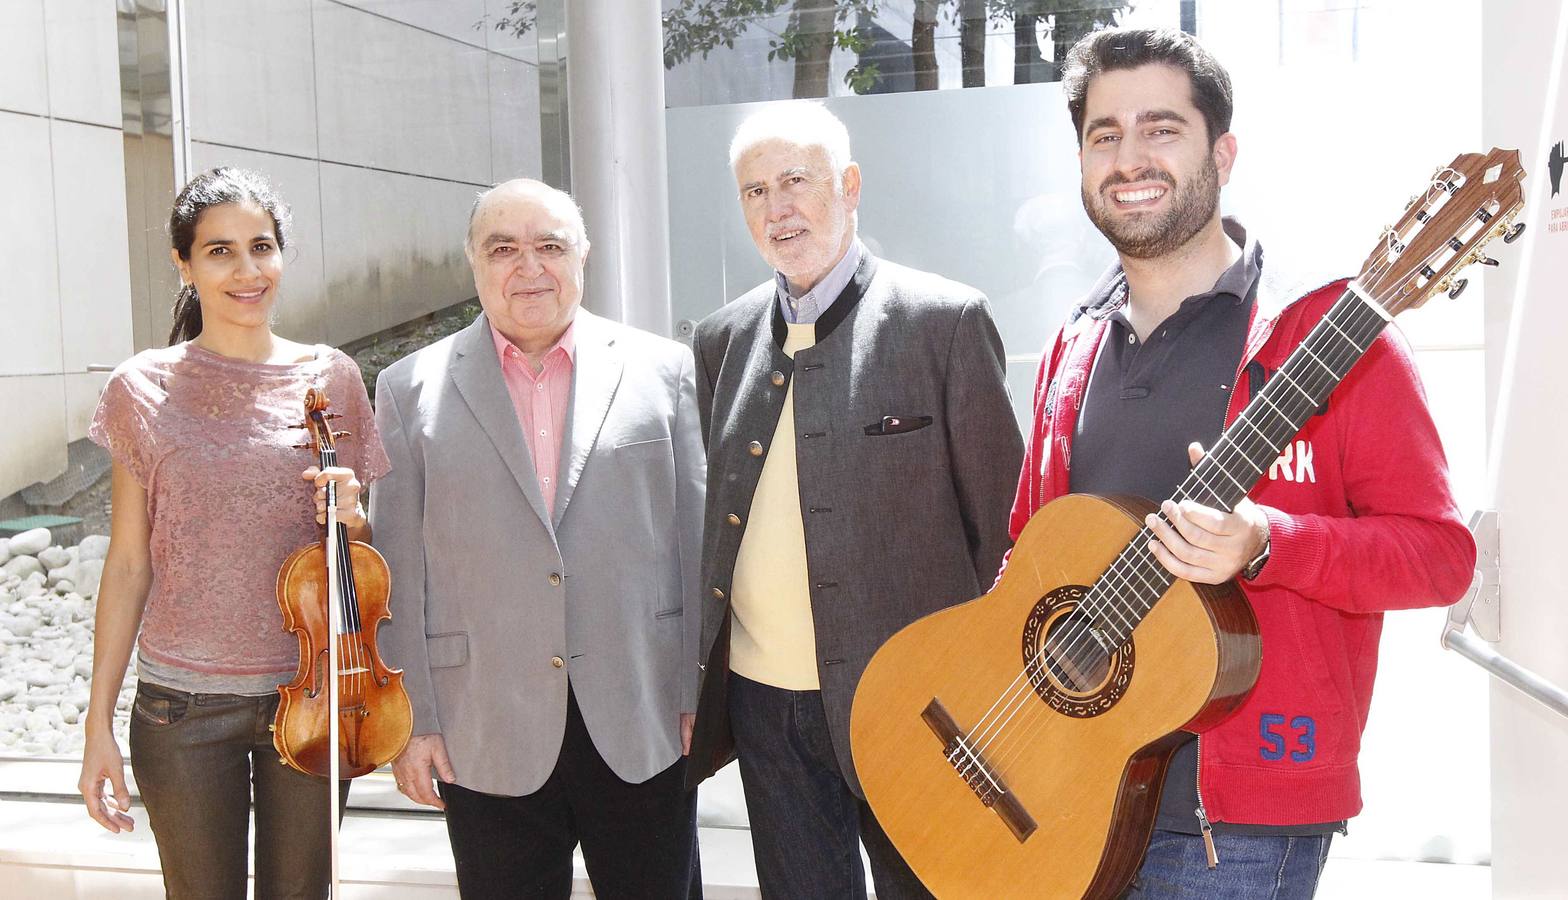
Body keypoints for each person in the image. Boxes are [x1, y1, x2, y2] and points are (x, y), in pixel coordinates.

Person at [1007, 27, 1477, 898]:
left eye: (1161, 128)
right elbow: (1024, 559)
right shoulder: (1069, 350)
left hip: (1237, 827)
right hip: (1064, 793)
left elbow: (1441, 556)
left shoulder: (1331, 338)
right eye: (1103, 135)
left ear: (1222, 151)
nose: (1129, 156)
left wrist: (1270, 542)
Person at [685, 102, 1024, 898]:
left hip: (918, 706)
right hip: (768, 710)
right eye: (755, 191)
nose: (777, 209)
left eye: (796, 181)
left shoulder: (944, 322)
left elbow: (1006, 532)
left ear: (850, 185)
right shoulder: (721, 341)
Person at [372, 179, 704, 898]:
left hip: (642, 717)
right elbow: (397, 567)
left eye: (550, 246)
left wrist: (696, 691)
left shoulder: (665, 371)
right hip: (483, 726)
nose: (529, 267)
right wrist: (414, 722)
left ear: (582, 258)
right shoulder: (407, 389)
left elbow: (694, 540)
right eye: (504, 249)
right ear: (473, 263)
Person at [77, 167, 387, 898]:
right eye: (220, 252)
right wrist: (98, 727)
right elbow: (127, 566)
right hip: (182, 709)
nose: (248, 271)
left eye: (262, 247)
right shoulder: (141, 387)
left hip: (312, 700)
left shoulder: (332, 376)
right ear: (183, 264)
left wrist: (356, 516)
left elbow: (365, 552)